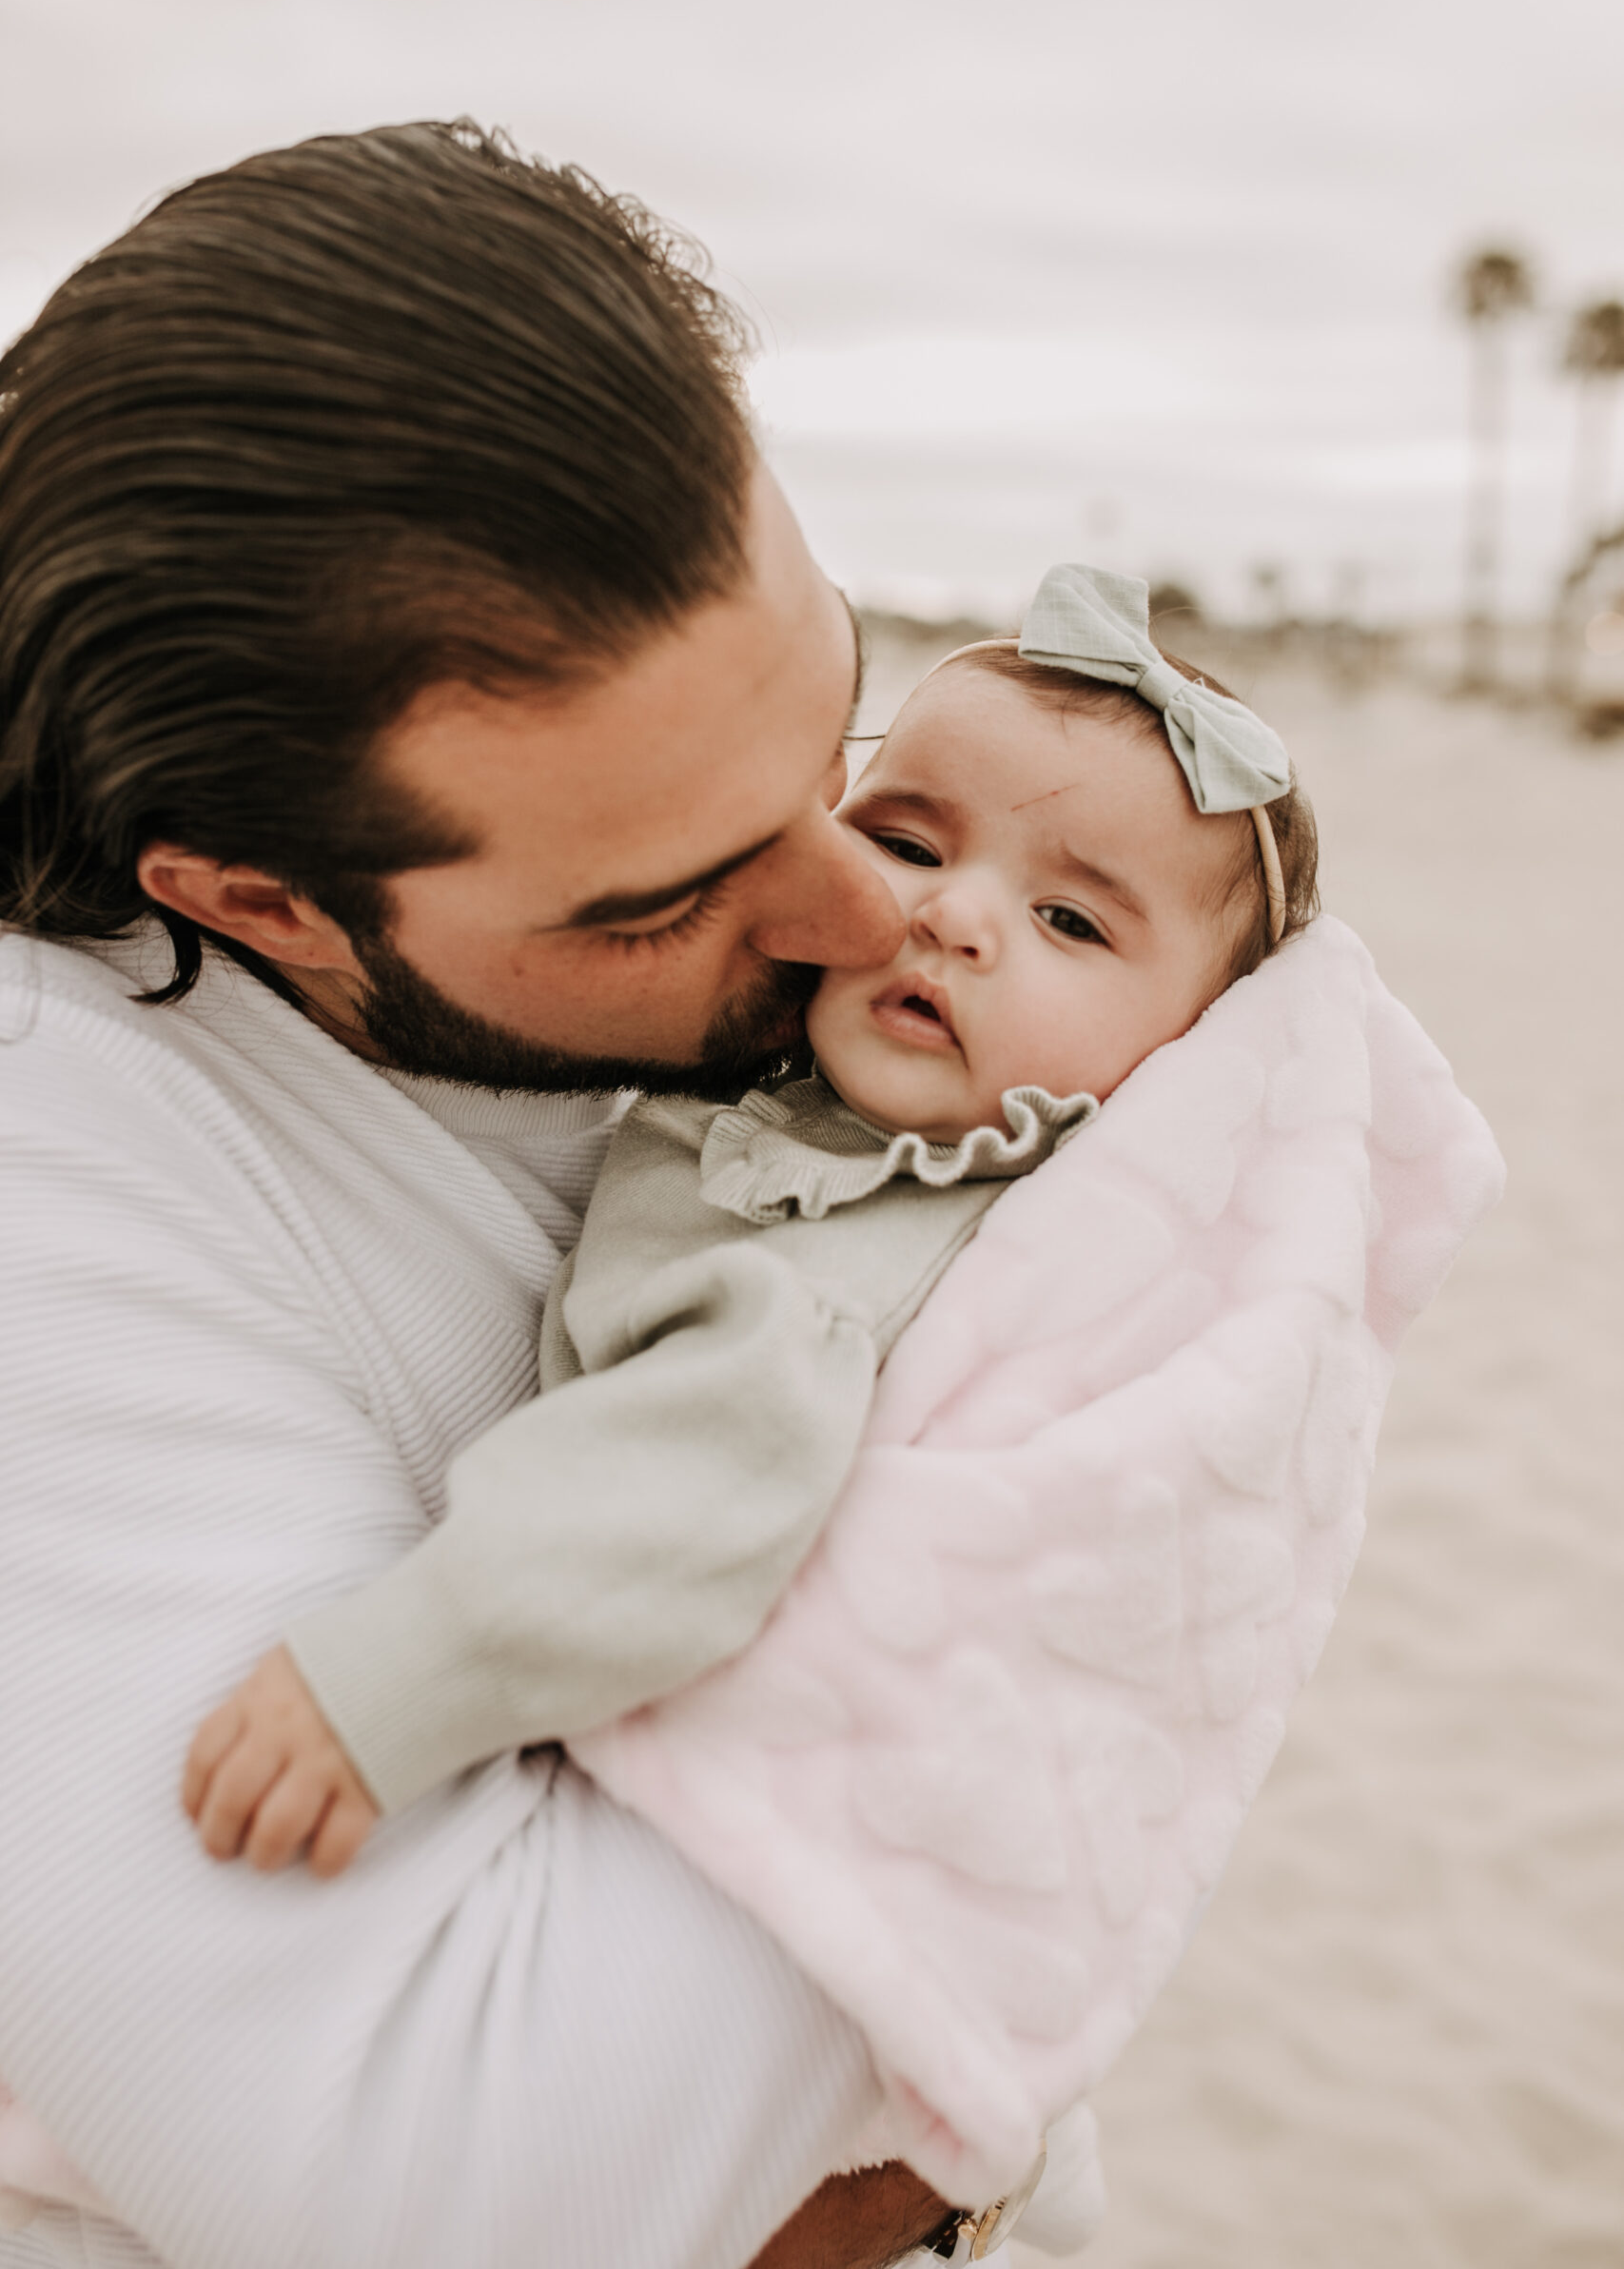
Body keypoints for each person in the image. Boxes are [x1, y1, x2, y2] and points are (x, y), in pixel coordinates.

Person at [0, 119, 957, 2269]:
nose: (861, 905)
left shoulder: (689, 1011)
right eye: (671, 897)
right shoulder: (41, 1155)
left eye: (835, 730)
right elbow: (449, 2188)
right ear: (255, 897)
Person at [179, 569, 1318, 1892]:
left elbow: (689, 1487)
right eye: (909, 845)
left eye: (1069, 920)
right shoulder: (801, 1102)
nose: (953, 916)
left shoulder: (874, 1235)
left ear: (1182, 1052)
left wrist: (394, 1677)